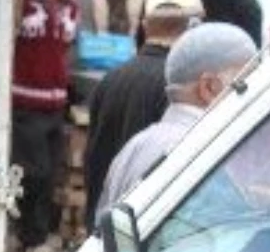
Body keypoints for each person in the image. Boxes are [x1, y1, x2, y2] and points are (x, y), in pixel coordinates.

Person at [83, 0, 204, 228]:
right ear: (194, 28)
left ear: (145, 26)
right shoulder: (180, 90)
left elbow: (93, 160)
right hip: (144, 234)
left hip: (103, 229)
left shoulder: (110, 80)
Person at [99, 21, 257, 211]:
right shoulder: (203, 156)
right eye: (247, 80)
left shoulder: (136, 146)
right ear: (209, 87)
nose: (254, 92)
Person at [10, 0, 88, 252]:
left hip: (56, 102)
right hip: (27, 101)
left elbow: (66, 51)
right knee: (33, 171)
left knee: (51, 173)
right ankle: (29, 236)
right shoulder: (25, 2)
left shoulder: (72, 10)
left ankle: (39, 234)